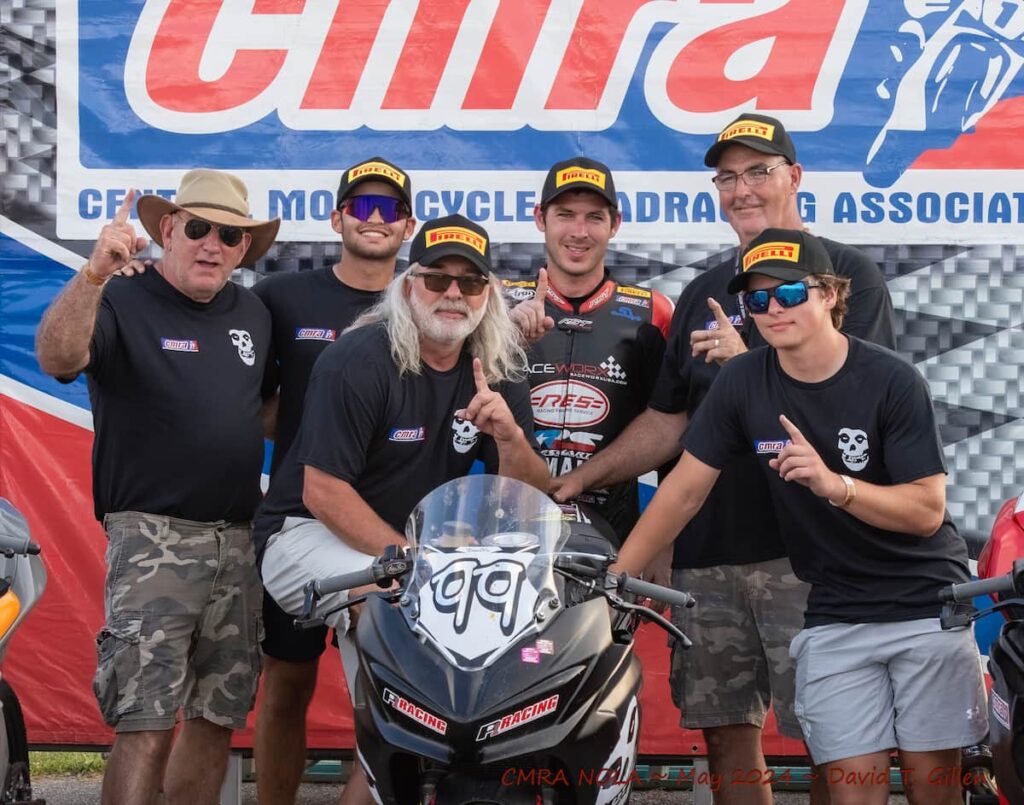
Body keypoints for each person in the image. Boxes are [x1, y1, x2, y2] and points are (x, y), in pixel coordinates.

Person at [553, 114, 895, 804]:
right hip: (709, 549)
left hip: (814, 553)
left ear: (794, 178)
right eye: (728, 176)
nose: (742, 188)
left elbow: (858, 413)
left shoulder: (846, 276)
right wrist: (582, 479)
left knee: (834, 736)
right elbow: (668, 420)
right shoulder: (702, 292)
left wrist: (752, 368)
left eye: (759, 171)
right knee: (723, 732)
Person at [612, 227, 986, 805]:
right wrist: (617, 578)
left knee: (930, 787)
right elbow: (683, 491)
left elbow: (925, 510)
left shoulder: (892, 379)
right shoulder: (742, 381)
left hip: (923, 607)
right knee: (848, 791)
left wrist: (837, 487)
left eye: (790, 293)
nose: (773, 309)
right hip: (835, 611)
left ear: (832, 295)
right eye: (758, 300)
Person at [252, 214, 548, 805]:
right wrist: (414, 563)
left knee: (438, 679)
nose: (452, 294)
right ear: (409, 283)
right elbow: (321, 491)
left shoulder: (497, 367)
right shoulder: (361, 355)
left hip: (412, 551)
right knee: (389, 618)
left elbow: (531, 497)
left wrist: (511, 438)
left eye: (470, 283)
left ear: (489, 294)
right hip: (302, 533)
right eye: (437, 279)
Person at [34, 170, 280, 805]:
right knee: (144, 719)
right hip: (153, 540)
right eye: (197, 228)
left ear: (243, 248)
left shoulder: (253, 311)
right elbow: (58, 359)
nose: (212, 244)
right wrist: (92, 275)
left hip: (239, 541)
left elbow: (264, 409)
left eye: (229, 235)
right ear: (168, 230)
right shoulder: (120, 296)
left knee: (216, 718)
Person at [251, 156, 415, 805]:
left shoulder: (425, 298)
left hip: (384, 532)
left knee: (380, 694)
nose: (375, 220)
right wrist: (314, 445)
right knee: (285, 684)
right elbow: (256, 408)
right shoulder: (284, 296)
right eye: (363, 206)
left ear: (408, 225)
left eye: (389, 210)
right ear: (337, 215)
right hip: (301, 521)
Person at [506, 156, 673, 542]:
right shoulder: (497, 305)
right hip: (507, 530)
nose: (578, 232)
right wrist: (498, 339)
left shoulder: (653, 312)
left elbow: (673, 428)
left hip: (617, 535)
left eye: (594, 217)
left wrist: (665, 541)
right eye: (565, 214)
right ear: (539, 218)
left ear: (614, 224)